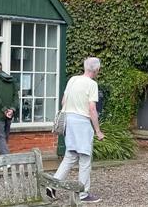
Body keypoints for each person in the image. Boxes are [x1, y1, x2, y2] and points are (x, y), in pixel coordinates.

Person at [48, 57, 105, 204]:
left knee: (70, 156)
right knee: (85, 159)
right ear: (96, 70)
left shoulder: (73, 79)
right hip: (81, 122)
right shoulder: (92, 84)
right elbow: (92, 108)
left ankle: (52, 185)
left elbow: (63, 102)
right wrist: (98, 131)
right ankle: (83, 194)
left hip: (69, 120)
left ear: (85, 67)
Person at [0, 61, 18, 155]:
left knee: (0, 137)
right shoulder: (12, 80)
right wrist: (12, 109)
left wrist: (4, 109)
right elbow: (16, 97)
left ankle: (7, 161)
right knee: (4, 138)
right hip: (9, 114)